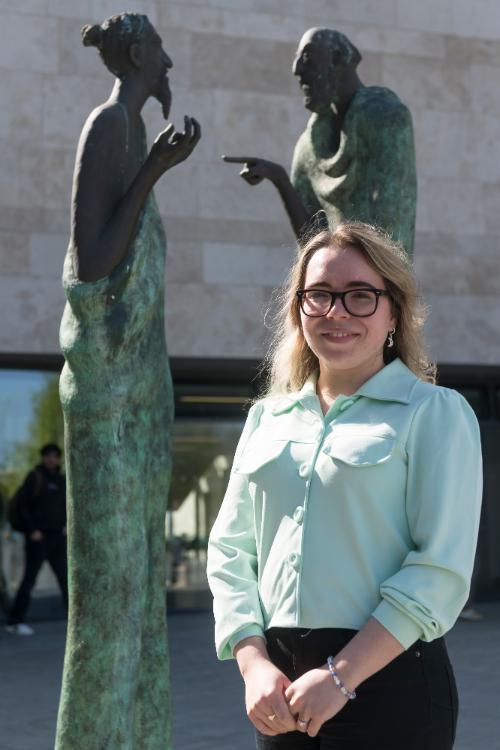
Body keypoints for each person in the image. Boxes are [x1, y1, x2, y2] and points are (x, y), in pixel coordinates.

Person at [207, 222, 482, 750]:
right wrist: (252, 663)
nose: (336, 312)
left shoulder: (434, 413)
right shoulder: (267, 418)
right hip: (279, 689)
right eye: (320, 295)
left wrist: (340, 677)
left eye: (360, 295)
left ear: (393, 312)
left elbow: (439, 567)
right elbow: (230, 550)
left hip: (390, 681)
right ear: (299, 309)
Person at [57, 13, 200, 749]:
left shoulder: (134, 131)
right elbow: (92, 263)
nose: (169, 62)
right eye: (162, 50)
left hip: (136, 387)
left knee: (139, 594)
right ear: (140, 53)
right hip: (108, 389)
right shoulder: (110, 125)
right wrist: (153, 174)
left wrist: (153, 167)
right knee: (111, 601)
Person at [223, 28, 416, 256]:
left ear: (337, 59)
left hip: (370, 277)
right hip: (332, 275)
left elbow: (393, 230)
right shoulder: (309, 144)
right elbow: (313, 244)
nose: (296, 69)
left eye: (307, 56)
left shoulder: (385, 117)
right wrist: (279, 178)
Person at [5, 444, 67, 636]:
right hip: (38, 538)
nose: (51, 459)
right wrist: (32, 530)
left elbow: (67, 506)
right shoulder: (35, 477)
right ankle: (15, 622)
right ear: (42, 457)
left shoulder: (62, 480)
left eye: (55, 456)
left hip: (58, 538)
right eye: (48, 455)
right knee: (29, 580)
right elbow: (22, 506)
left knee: (67, 580)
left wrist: (66, 526)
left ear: (59, 459)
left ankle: (76, 620)